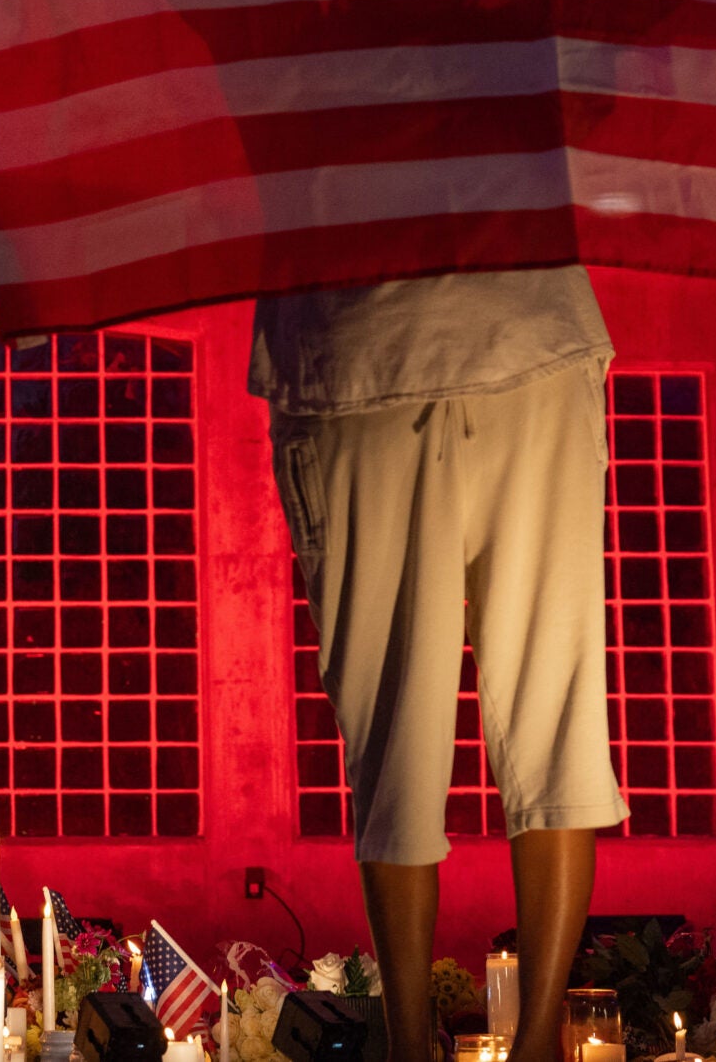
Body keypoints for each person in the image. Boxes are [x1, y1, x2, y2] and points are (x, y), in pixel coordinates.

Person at [255, 265, 628, 1062]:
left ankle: (415, 1050)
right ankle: (529, 1045)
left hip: (363, 344)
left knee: (399, 734)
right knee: (552, 716)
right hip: (522, 323)